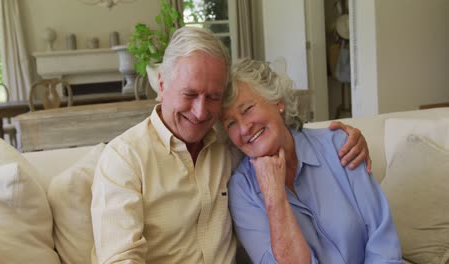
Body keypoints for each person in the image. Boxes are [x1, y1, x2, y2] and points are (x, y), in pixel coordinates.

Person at [91, 27, 371, 263]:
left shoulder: (229, 146)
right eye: (189, 94)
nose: (201, 112)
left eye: (213, 97)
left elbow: (278, 131)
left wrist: (346, 137)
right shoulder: (124, 159)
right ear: (162, 85)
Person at [221, 58, 402, 264]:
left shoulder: (339, 145)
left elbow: (383, 242)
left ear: (278, 101)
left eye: (247, 109)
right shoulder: (242, 190)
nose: (244, 128)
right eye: (231, 123)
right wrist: (274, 198)